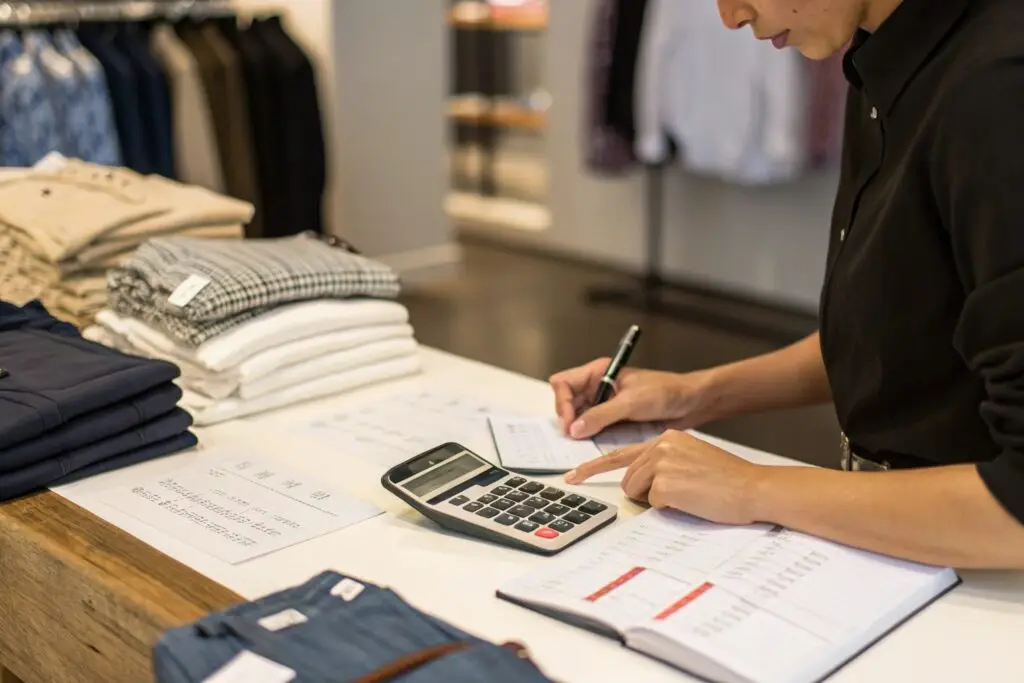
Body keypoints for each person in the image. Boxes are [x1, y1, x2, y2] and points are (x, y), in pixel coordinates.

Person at [551, 0, 1024, 570]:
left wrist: (753, 488)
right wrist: (695, 394)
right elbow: (896, 329)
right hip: (902, 549)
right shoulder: (885, 60)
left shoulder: (997, 88)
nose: (730, 18)